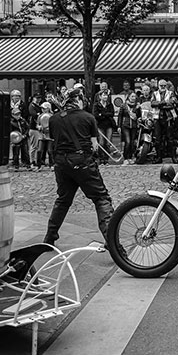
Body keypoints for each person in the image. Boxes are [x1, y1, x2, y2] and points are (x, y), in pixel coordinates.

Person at [43, 86, 115, 249]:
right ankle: (111, 241)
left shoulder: (54, 119)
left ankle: (49, 237)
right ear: (78, 100)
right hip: (82, 162)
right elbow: (95, 146)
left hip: (61, 162)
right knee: (101, 198)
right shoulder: (88, 117)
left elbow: (54, 138)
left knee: (63, 200)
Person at [150, 78, 178, 164]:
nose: (162, 87)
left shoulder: (171, 93)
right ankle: (159, 157)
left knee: (170, 138)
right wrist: (163, 103)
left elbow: (173, 102)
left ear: (166, 86)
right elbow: (152, 103)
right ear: (158, 86)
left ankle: (173, 157)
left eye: (164, 85)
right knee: (158, 139)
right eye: (161, 85)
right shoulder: (154, 93)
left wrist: (160, 104)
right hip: (157, 118)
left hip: (168, 117)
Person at [92, 90, 117, 165]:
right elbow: (95, 115)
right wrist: (105, 115)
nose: (105, 97)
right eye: (103, 95)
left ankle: (106, 159)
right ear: (100, 97)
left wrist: (102, 114)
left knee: (108, 143)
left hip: (109, 125)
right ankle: (101, 159)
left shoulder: (110, 105)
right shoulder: (96, 105)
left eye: (106, 95)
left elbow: (111, 114)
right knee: (101, 142)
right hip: (100, 125)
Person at [117, 92, 140, 165]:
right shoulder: (124, 106)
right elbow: (120, 116)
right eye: (132, 96)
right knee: (128, 142)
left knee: (132, 142)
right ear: (128, 97)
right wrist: (119, 126)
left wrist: (138, 110)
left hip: (133, 126)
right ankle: (126, 158)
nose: (133, 98)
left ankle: (130, 157)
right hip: (125, 125)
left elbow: (139, 116)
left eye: (134, 96)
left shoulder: (137, 106)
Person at [27, 93, 44, 171]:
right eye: (37, 98)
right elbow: (34, 115)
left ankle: (37, 162)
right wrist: (39, 115)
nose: (38, 99)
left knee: (38, 146)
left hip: (40, 129)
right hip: (34, 128)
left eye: (39, 98)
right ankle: (32, 162)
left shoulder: (39, 106)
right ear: (33, 98)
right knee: (34, 146)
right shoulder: (32, 106)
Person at [36, 101, 54, 169]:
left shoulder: (52, 116)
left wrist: (50, 128)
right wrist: (39, 127)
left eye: (44, 108)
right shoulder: (40, 116)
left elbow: (54, 125)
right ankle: (39, 165)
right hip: (42, 135)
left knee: (50, 151)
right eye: (42, 108)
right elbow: (37, 124)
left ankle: (52, 164)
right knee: (39, 150)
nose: (42, 110)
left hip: (49, 136)